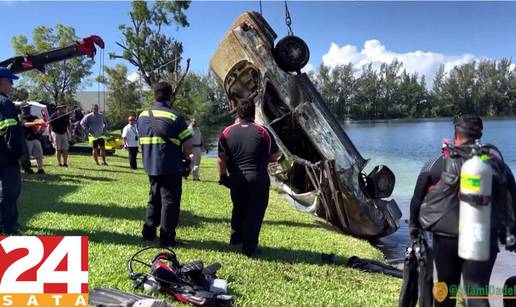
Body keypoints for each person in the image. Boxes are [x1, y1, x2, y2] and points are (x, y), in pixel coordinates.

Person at [409, 114, 516, 307]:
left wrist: (414, 230)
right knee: (477, 290)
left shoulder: (438, 163)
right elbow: (512, 200)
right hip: (482, 236)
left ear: (455, 133)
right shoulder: (495, 164)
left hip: (446, 237)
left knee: (445, 289)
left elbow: (417, 199)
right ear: (479, 135)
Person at [217, 99, 281, 257]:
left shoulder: (227, 132)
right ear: (253, 113)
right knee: (255, 211)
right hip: (257, 177)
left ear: (238, 113)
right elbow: (275, 154)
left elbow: (220, 158)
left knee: (238, 207)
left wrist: (223, 177)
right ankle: (250, 247)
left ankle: (235, 238)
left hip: (236, 177)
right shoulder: (263, 131)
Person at [138, 81, 193, 246]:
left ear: (155, 95)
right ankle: (167, 238)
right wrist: (186, 158)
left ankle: (148, 232)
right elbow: (188, 145)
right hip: (171, 166)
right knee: (170, 202)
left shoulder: (142, 116)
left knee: (154, 198)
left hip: (150, 165)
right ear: (170, 96)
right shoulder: (175, 116)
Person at [0, 67, 26, 235]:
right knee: (10, 192)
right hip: (6, 156)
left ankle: (11, 223)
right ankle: (7, 228)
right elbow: (10, 129)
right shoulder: (5, 102)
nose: (12, 84)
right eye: (10, 80)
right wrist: (16, 152)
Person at [20, 105, 45, 174]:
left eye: (28, 108)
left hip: (36, 138)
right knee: (27, 156)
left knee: (39, 155)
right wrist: (36, 123)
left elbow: (40, 126)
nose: (27, 109)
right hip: (27, 139)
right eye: (25, 108)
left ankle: (40, 169)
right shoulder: (21, 118)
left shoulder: (34, 117)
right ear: (22, 109)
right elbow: (26, 124)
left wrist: (43, 125)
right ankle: (27, 169)